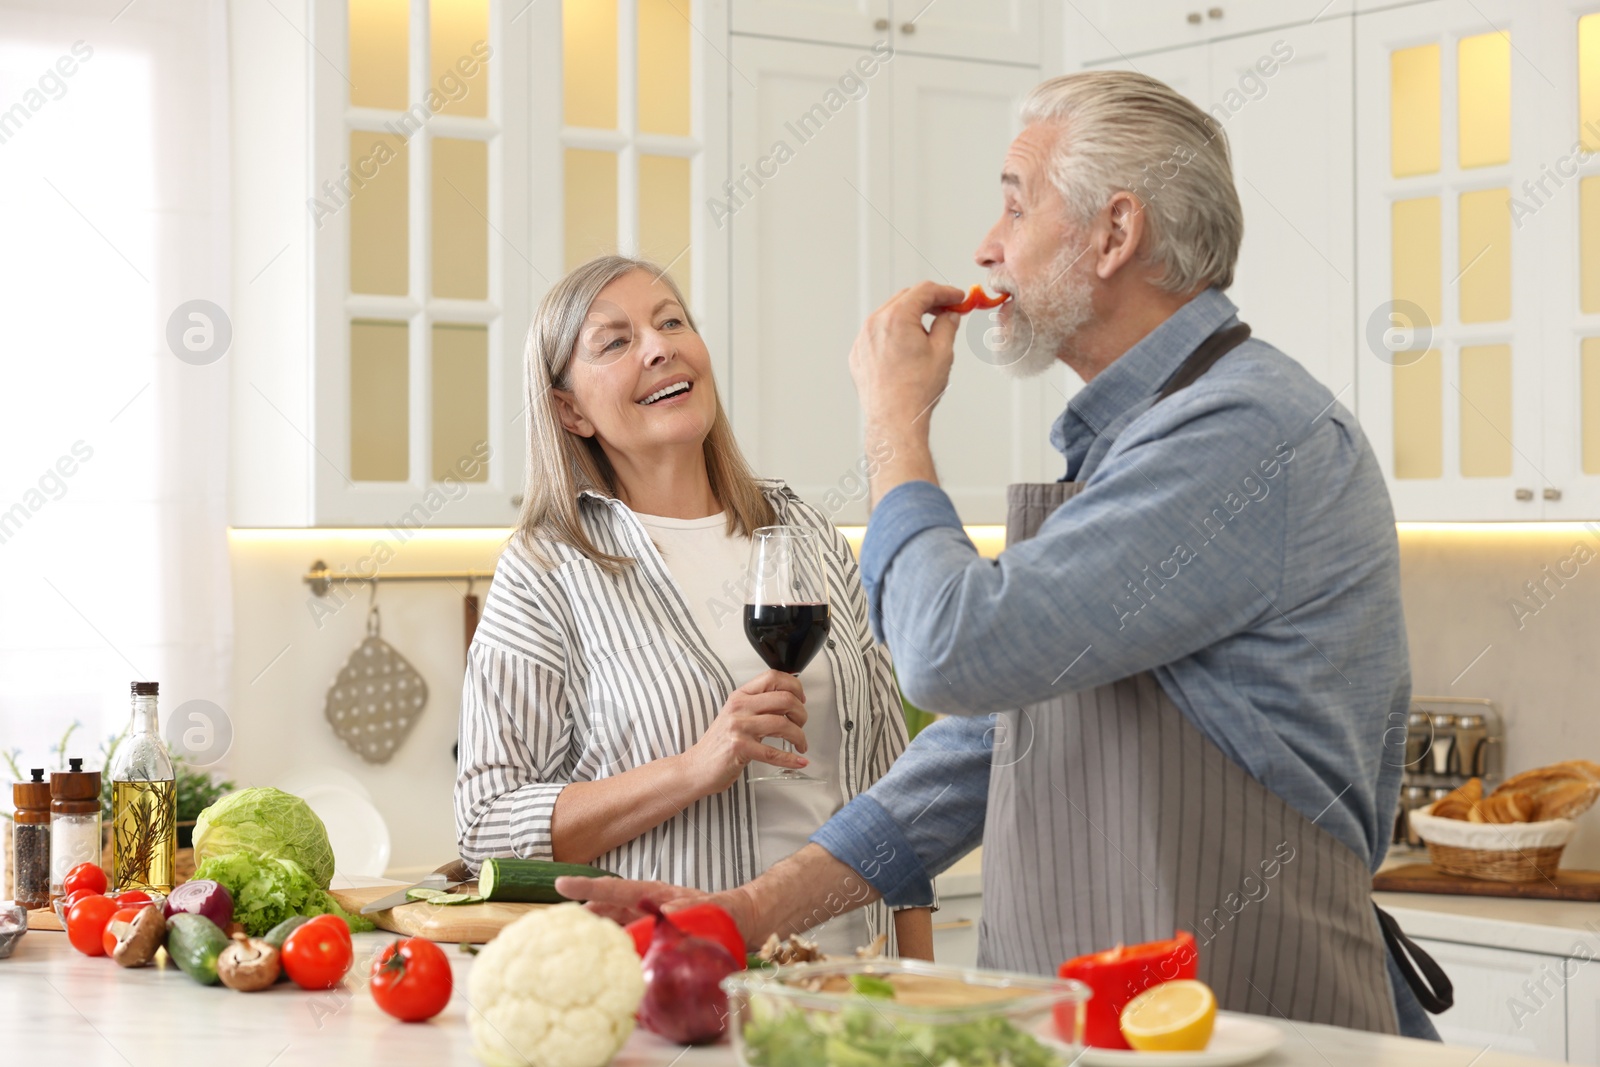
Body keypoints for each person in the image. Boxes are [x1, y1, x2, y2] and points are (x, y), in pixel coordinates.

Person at [558, 72, 1447, 1039]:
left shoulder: (1244, 434)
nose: (987, 246)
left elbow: (950, 653)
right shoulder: (1138, 443)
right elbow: (988, 746)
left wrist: (895, 423)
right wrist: (751, 911)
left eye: (1016, 204)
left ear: (1115, 234)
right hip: (1099, 1036)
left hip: (1251, 1029)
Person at [453, 254, 931, 957]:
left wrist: (917, 979)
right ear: (570, 409)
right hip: (674, 981)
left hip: (850, 979)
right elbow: (487, 826)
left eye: (672, 321)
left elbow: (896, 779)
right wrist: (693, 766)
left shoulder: (806, 535)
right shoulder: (546, 569)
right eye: (616, 341)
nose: (659, 346)